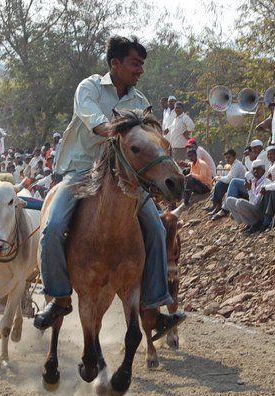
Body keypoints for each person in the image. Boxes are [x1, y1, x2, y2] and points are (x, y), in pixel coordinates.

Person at [36, 35, 183, 333]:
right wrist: (126, 132)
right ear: (115, 64)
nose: (140, 70)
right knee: (51, 228)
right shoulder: (88, 88)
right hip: (81, 170)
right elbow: (97, 123)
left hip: (124, 176)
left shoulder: (140, 102)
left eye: (142, 65)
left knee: (156, 229)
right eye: (135, 64)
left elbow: (148, 138)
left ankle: (153, 307)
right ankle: (59, 296)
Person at [225, 160, 269, 229]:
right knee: (229, 200)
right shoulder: (254, 181)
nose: (255, 171)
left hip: (261, 211)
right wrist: (249, 188)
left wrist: (249, 190)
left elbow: (256, 202)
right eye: (254, 169)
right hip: (254, 208)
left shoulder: (266, 182)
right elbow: (252, 201)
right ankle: (246, 222)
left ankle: (255, 223)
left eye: (258, 169)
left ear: (263, 170)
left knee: (240, 202)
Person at [206, 149, 246, 218]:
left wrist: (217, 177)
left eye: (229, 157)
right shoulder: (232, 165)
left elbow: (228, 179)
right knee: (220, 183)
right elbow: (228, 177)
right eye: (226, 158)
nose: (227, 159)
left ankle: (223, 209)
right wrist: (219, 178)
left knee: (220, 184)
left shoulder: (237, 165)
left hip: (242, 188)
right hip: (235, 186)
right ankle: (217, 205)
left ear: (234, 157)